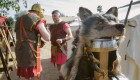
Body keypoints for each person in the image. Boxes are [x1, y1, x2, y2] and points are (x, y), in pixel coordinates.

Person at [15, 3, 50, 80]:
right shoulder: (35, 18)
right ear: (38, 11)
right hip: (29, 50)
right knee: (34, 74)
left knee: (26, 75)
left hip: (19, 49)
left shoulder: (19, 19)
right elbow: (47, 37)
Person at [49, 10, 73, 80]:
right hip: (53, 48)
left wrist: (63, 40)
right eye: (53, 16)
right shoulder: (51, 27)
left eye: (55, 16)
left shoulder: (64, 24)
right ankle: (61, 77)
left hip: (61, 48)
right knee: (58, 64)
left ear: (59, 16)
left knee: (63, 65)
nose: (53, 18)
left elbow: (70, 35)